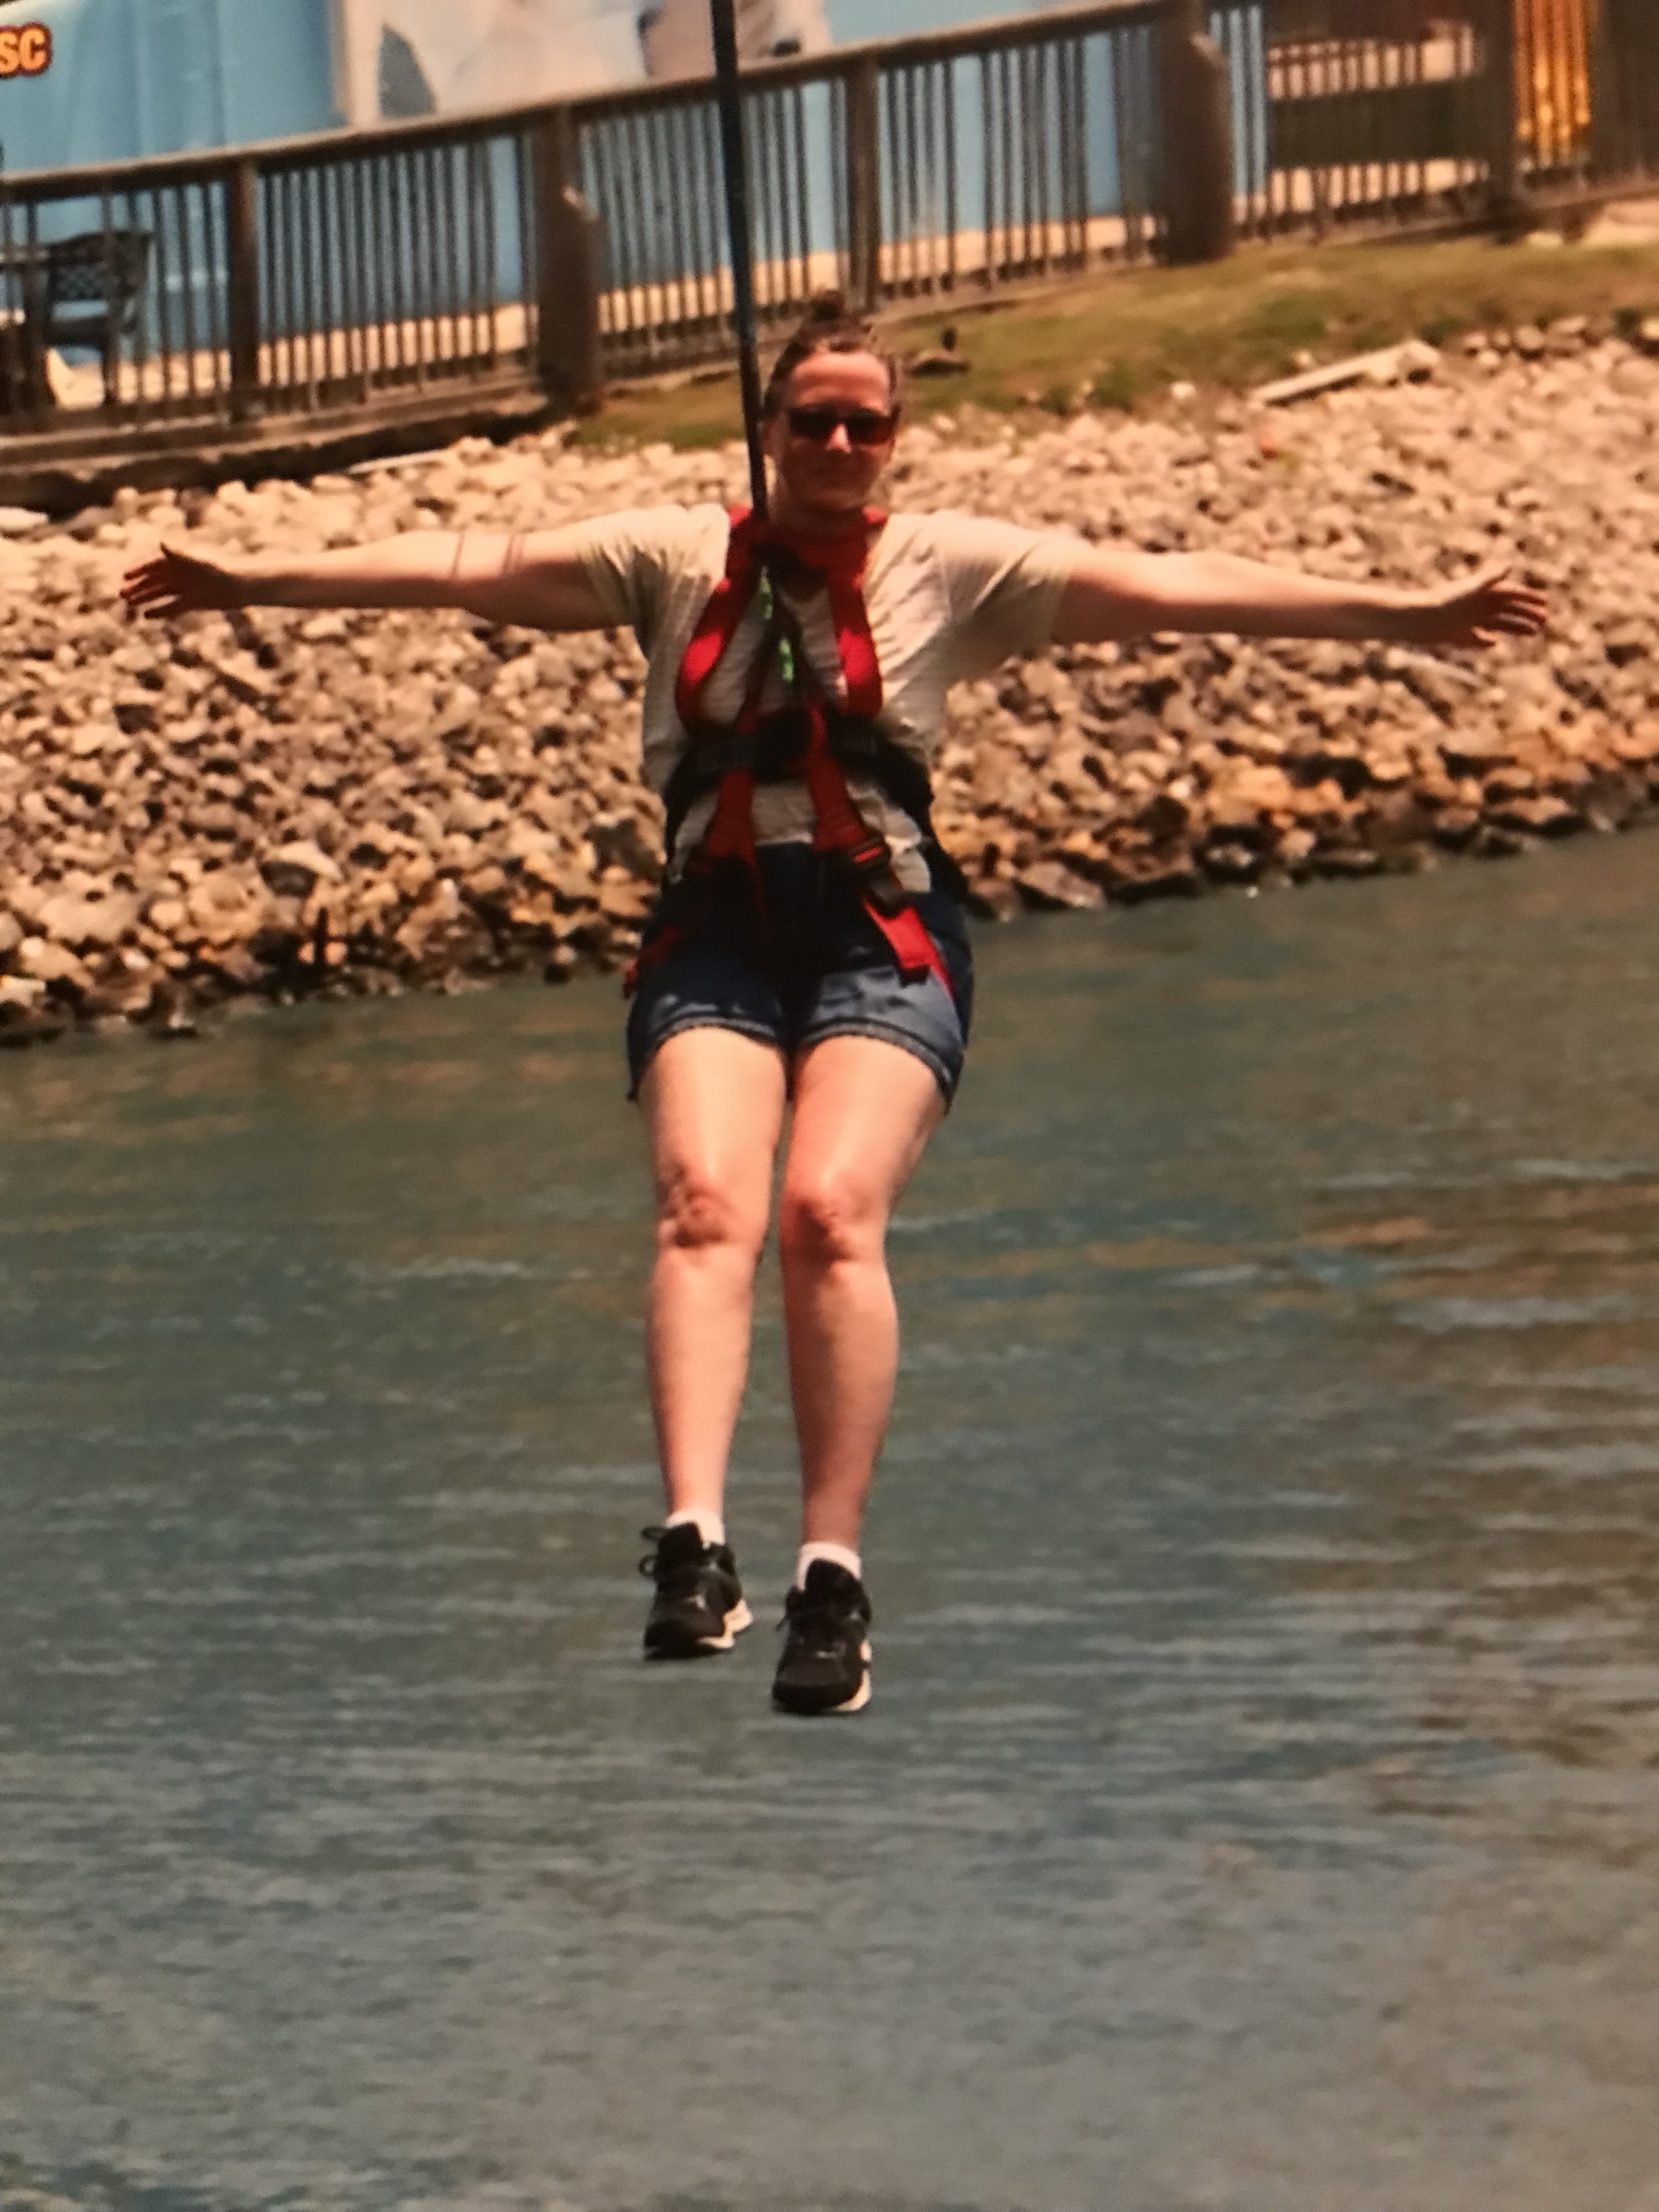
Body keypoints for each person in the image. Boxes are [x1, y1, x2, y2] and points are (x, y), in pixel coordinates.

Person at [121, 293, 1548, 1717]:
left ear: (896, 440)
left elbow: (1171, 585)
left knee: (824, 1210)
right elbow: (469, 565)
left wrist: (1407, 619)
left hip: (881, 933)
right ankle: (694, 1546)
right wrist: (253, 581)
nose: (842, 446)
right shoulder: (674, 556)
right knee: (705, 1204)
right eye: (816, 422)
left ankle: (831, 1578)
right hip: (718, 931)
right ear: (771, 429)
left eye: (869, 426)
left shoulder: (949, 567)